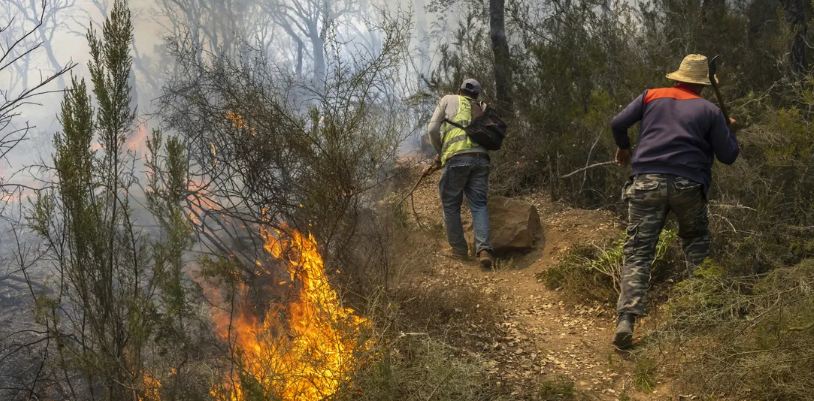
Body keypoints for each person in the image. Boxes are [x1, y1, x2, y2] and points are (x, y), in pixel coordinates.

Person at [610, 54, 740, 349]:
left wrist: (624, 148)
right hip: (688, 186)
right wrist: (731, 132)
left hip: (646, 183)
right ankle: (705, 313)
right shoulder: (710, 110)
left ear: (678, 77)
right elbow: (728, 156)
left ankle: (626, 320)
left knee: (638, 252)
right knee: (696, 245)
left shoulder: (651, 95)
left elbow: (617, 123)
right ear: (703, 85)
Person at [427, 78, 495, 269]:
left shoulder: (448, 99)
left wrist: (441, 153)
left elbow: (432, 129)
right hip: (481, 159)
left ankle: (459, 250)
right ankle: (484, 250)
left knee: (450, 204)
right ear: (477, 94)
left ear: (460, 90)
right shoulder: (482, 106)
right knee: (479, 205)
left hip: (456, 159)